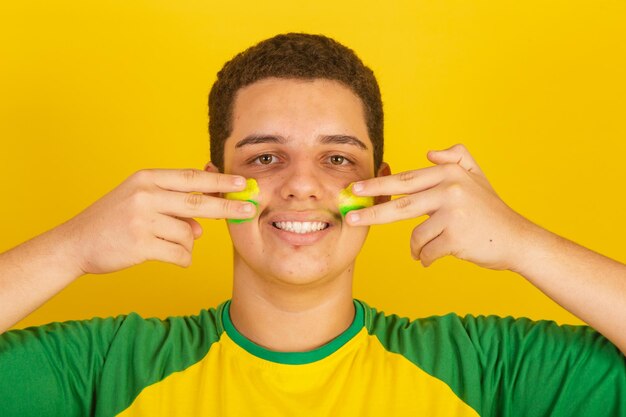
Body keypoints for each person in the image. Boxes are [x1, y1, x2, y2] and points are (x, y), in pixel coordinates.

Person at [0, 33, 624, 416]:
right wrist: (70, 250)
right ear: (208, 183)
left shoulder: (485, 370)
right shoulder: (104, 368)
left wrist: (525, 244)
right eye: (265, 157)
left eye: (337, 158)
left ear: (384, 186)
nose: (301, 184)